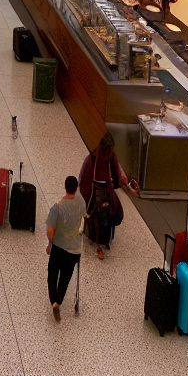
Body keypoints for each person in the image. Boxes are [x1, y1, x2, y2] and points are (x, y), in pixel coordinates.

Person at [79, 133, 138, 259]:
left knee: (101, 213)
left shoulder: (94, 158)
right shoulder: (103, 157)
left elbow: (84, 180)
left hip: (100, 192)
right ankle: (103, 241)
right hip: (101, 192)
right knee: (106, 213)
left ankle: (98, 238)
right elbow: (116, 177)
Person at [45, 175, 86, 321]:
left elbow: (50, 231)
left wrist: (50, 243)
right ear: (76, 188)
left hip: (59, 247)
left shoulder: (57, 207)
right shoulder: (81, 202)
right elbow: (84, 218)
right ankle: (60, 298)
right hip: (75, 249)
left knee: (53, 273)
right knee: (66, 275)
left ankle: (54, 300)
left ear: (65, 187)